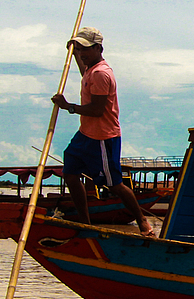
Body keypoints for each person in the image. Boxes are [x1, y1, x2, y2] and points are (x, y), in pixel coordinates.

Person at [51, 27, 154, 236]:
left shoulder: (101, 73)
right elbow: (84, 73)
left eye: (85, 50)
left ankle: (142, 221)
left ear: (99, 48)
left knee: (113, 184)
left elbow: (97, 110)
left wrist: (68, 106)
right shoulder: (90, 69)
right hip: (85, 134)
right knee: (70, 173)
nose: (82, 54)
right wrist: (73, 54)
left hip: (103, 136)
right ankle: (85, 223)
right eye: (79, 49)